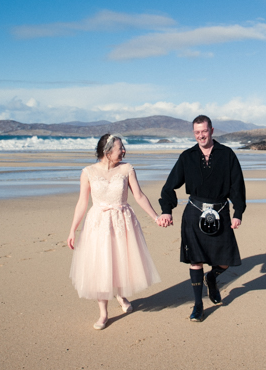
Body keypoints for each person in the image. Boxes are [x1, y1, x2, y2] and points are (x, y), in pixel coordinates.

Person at [67, 134, 162, 330]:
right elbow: (82, 203)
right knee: (101, 265)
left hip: (122, 221)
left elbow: (139, 195)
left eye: (123, 147)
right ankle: (103, 313)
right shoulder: (88, 172)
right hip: (98, 223)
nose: (124, 151)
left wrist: (155, 217)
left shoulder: (127, 169)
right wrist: (72, 230)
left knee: (120, 260)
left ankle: (121, 294)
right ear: (107, 151)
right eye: (120, 148)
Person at [157, 115, 246, 322]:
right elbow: (170, 185)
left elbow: (237, 186)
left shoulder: (227, 154)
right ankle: (198, 305)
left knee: (225, 260)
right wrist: (166, 209)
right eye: (197, 132)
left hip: (221, 210)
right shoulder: (187, 156)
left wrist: (238, 212)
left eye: (204, 131)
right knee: (195, 260)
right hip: (194, 213)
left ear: (212, 130)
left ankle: (212, 277)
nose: (200, 136)